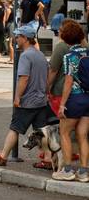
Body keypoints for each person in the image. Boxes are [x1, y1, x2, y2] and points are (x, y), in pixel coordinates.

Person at [0, 24, 48, 166]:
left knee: (15, 128)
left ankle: (3, 156)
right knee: (42, 132)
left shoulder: (26, 56)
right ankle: (48, 159)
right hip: (41, 100)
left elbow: (23, 78)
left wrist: (18, 97)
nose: (16, 39)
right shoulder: (40, 55)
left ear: (25, 38)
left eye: (18, 37)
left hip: (28, 101)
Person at [52, 20, 89, 182]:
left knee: (65, 133)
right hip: (88, 98)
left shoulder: (69, 57)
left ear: (66, 37)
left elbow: (68, 82)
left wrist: (62, 104)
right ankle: (84, 171)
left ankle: (67, 170)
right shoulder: (88, 52)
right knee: (83, 135)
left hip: (74, 99)